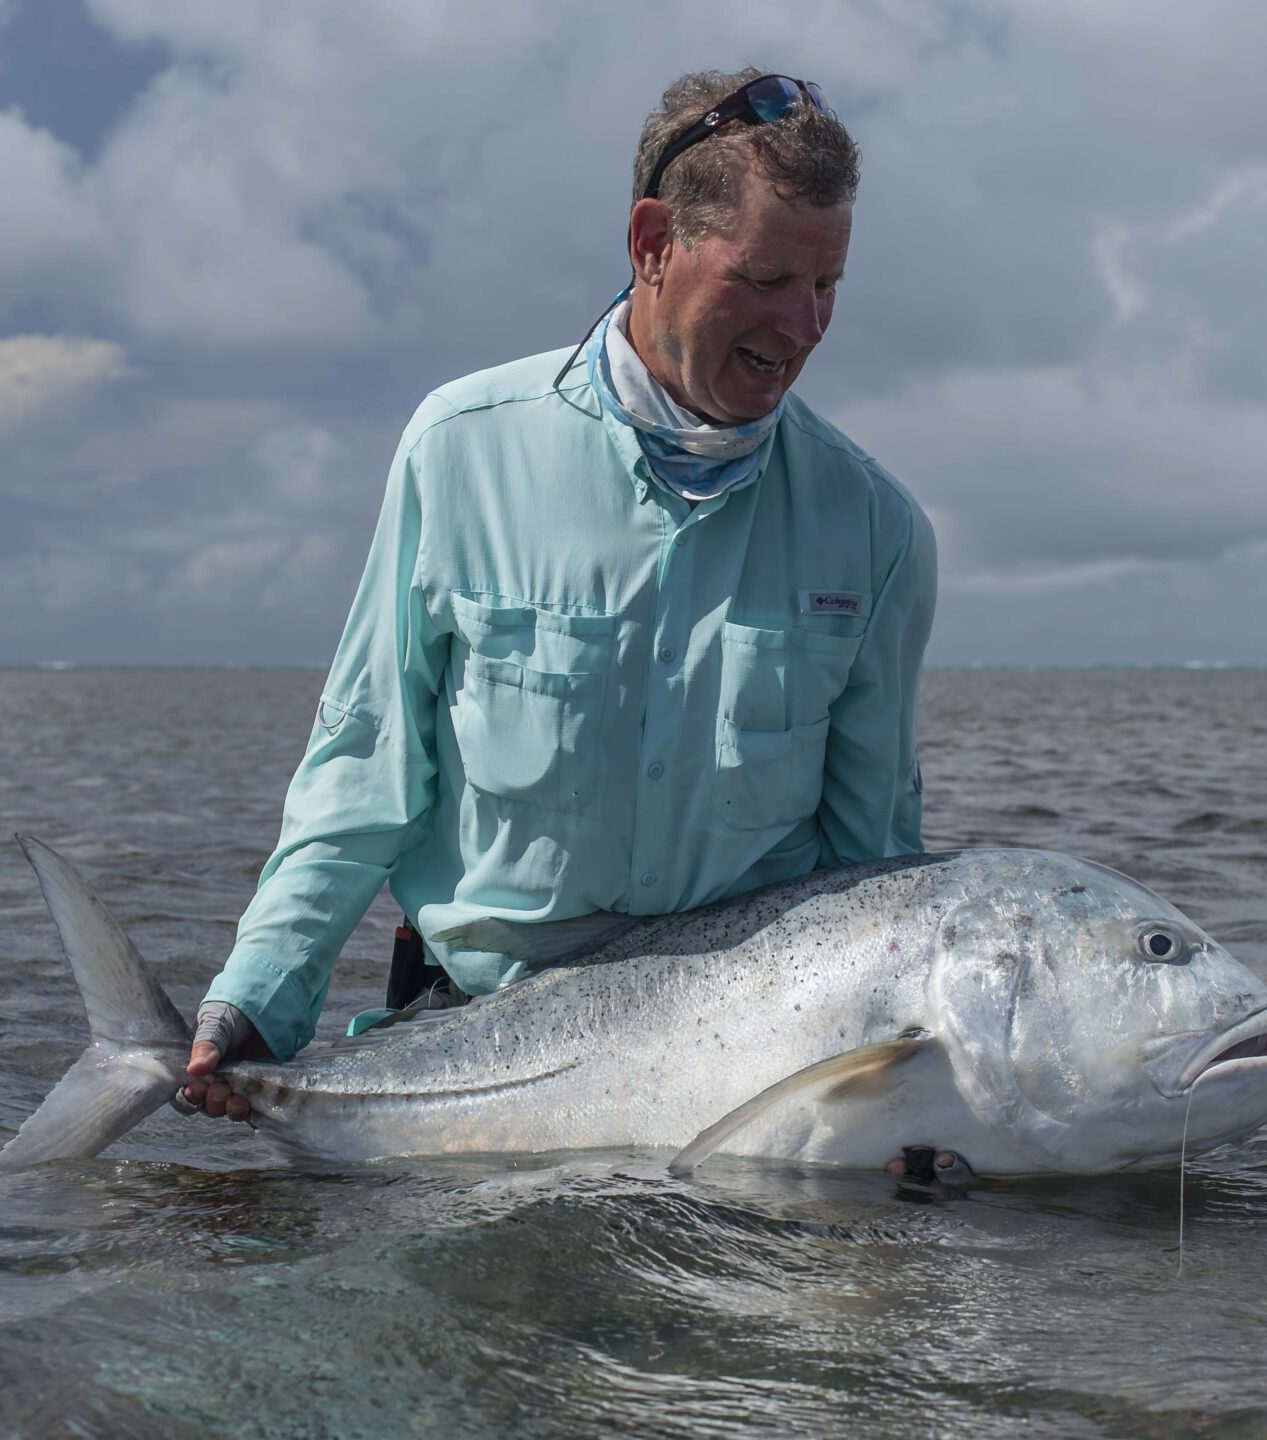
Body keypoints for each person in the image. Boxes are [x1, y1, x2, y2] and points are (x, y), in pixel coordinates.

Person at [178, 68, 938, 1147]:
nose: (802, 326)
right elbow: (366, 765)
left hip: (733, 1080)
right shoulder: (460, 448)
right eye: (766, 277)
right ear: (650, 242)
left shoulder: (876, 529)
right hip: (473, 1041)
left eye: (828, 286)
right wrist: (256, 999)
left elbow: (874, 876)